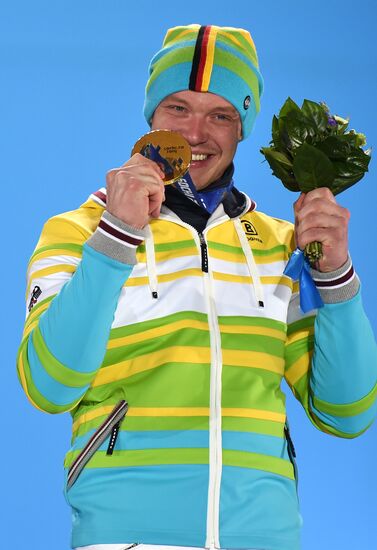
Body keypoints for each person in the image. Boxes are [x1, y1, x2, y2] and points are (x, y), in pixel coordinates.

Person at [17, 24, 377, 550]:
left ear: (242, 128)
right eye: (178, 108)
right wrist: (116, 237)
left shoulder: (283, 246)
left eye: (221, 115)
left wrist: (335, 274)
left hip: (265, 538)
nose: (195, 133)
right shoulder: (76, 230)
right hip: (127, 538)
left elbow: (347, 412)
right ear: (151, 117)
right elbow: (48, 386)